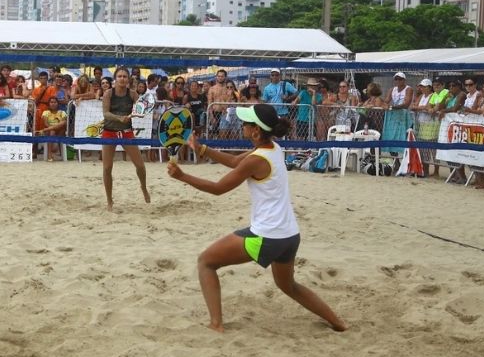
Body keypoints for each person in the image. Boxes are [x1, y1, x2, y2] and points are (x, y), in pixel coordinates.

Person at [166, 103, 347, 333]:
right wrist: (201, 149)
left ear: (255, 131)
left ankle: (216, 324)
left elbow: (218, 189)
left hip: (267, 236)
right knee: (288, 285)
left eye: (246, 122)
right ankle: (338, 323)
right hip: (289, 235)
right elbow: (233, 162)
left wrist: (183, 176)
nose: (242, 124)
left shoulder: (257, 159)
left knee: (206, 262)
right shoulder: (273, 148)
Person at [101, 67, 151, 211]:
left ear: (128, 79)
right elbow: (106, 114)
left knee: (140, 165)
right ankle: (110, 200)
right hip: (109, 132)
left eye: (124, 76)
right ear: (115, 79)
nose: (122, 78)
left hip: (126, 132)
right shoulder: (108, 94)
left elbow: (142, 108)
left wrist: (139, 113)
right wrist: (119, 118)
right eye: (120, 76)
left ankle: (143, 187)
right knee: (107, 168)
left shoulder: (133, 94)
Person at [383, 72, 413, 156]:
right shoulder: (392, 89)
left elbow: (406, 104)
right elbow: (386, 101)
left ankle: (404, 162)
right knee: (391, 137)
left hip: (404, 117)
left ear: (404, 80)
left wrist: (392, 107)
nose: (398, 81)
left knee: (404, 138)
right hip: (393, 117)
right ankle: (396, 161)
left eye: (400, 79)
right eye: (396, 79)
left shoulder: (408, 89)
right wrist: (384, 104)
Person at [38, 96, 68, 161]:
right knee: (52, 131)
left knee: (64, 122)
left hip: (60, 131)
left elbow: (64, 123)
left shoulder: (62, 112)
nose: (53, 104)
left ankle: (50, 154)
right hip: (49, 131)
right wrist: (52, 128)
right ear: (49, 104)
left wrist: (53, 128)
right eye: (51, 102)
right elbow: (46, 123)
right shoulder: (46, 112)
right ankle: (49, 154)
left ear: (58, 104)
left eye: (55, 102)